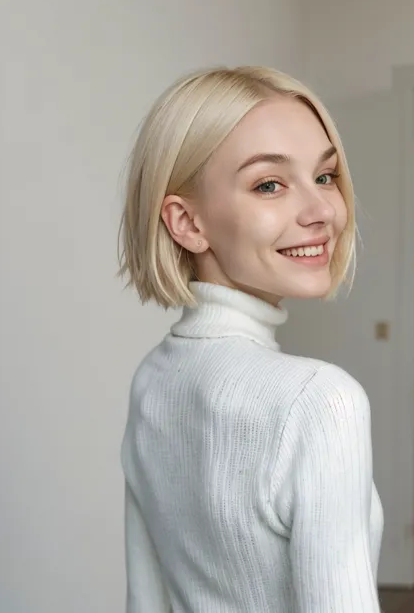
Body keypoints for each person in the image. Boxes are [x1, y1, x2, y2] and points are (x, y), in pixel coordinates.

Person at [118, 66, 384, 612]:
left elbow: (144, 602)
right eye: (270, 184)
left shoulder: (153, 377)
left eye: (326, 176)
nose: (321, 213)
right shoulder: (320, 401)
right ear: (187, 222)